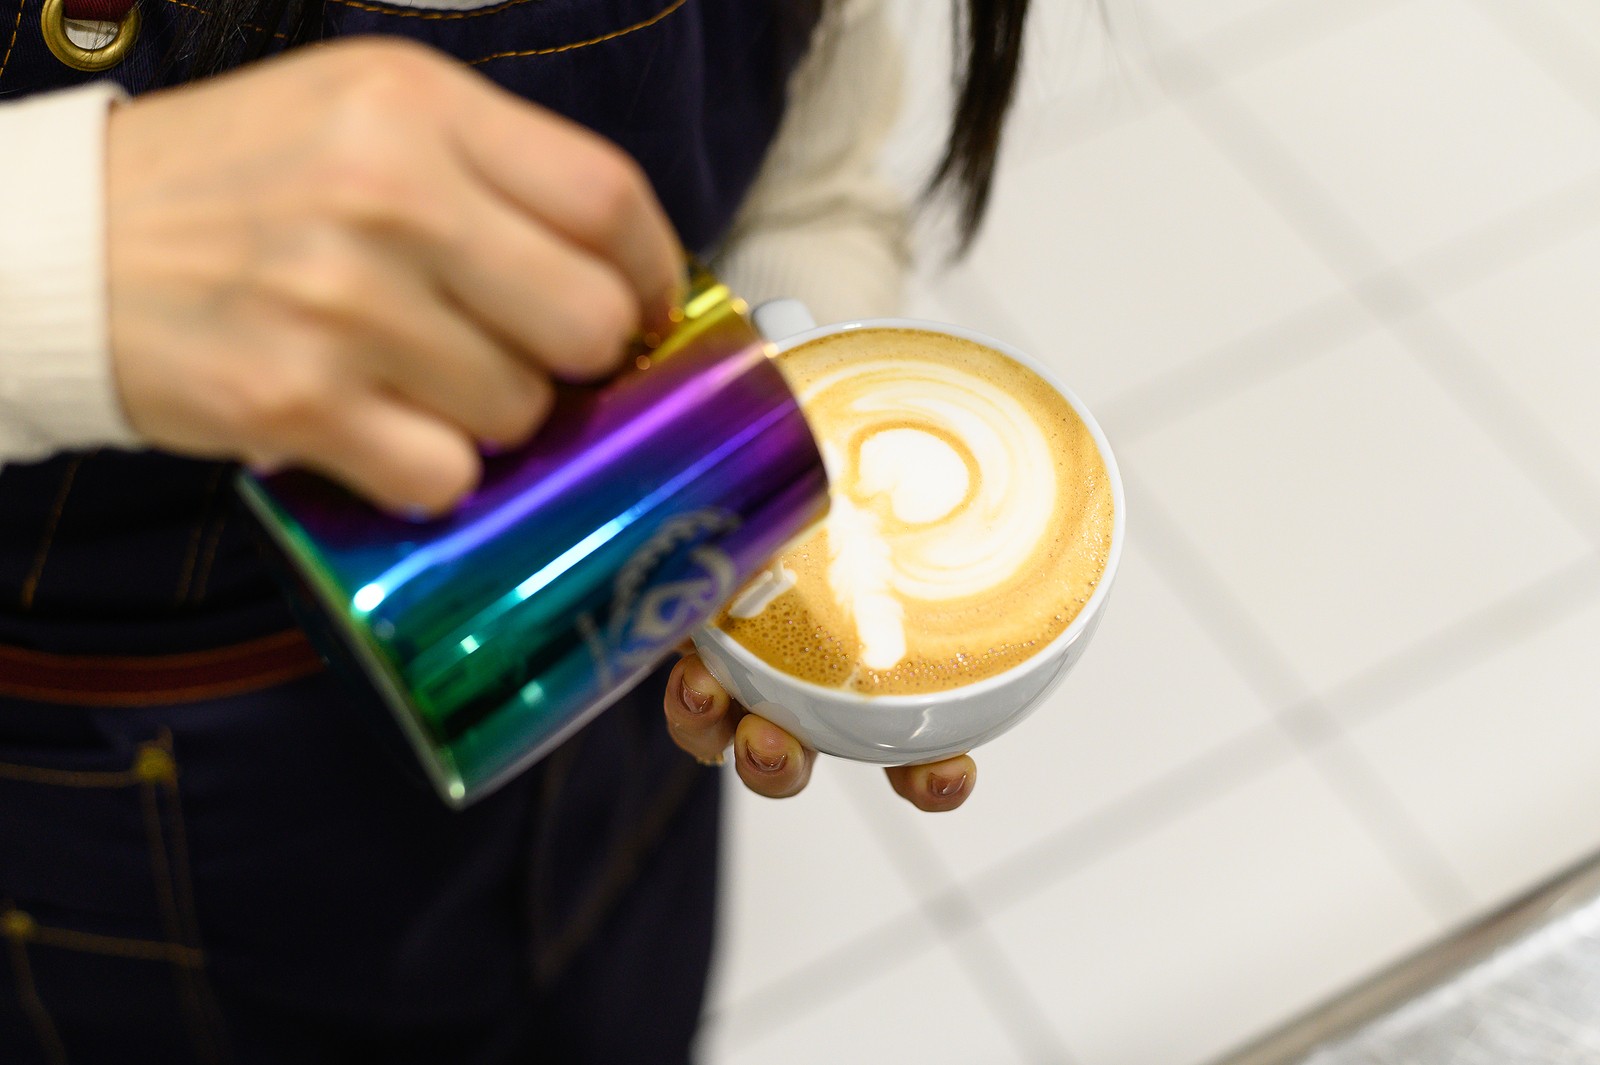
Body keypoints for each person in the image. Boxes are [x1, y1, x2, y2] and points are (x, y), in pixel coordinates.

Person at [0, 0, 1029, 1059]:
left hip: (607, 704)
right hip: (122, 818)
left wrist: (767, 475)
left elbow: (810, 195)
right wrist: (64, 255)